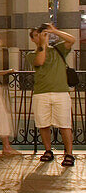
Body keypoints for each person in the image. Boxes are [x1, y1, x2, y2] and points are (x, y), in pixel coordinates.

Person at [28, 24, 78, 166]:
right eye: (37, 35)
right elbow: (40, 61)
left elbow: (71, 40)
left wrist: (54, 31)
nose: (40, 36)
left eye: (41, 33)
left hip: (61, 92)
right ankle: (48, 150)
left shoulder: (58, 49)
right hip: (41, 93)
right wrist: (43, 44)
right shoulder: (31, 54)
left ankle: (68, 153)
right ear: (32, 39)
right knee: (43, 124)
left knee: (65, 124)